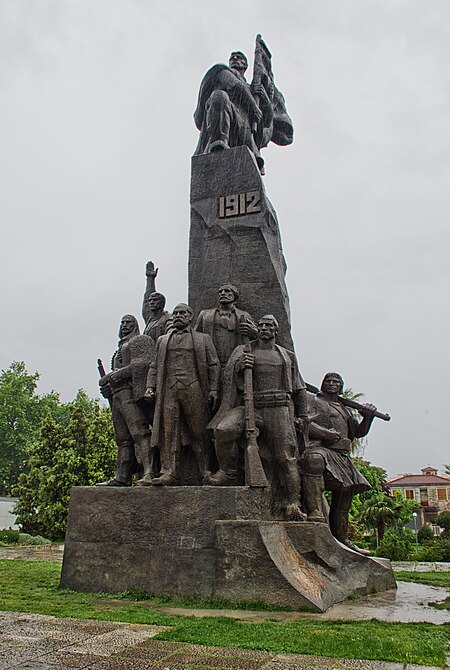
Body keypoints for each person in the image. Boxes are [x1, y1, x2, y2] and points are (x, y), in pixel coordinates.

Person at [207, 315, 307, 520]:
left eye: (269, 325)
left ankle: (292, 503)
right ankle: (228, 472)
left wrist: (303, 414)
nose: (264, 328)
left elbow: (299, 387)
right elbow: (229, 379)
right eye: (261, 325)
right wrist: (239, 367)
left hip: (278, 408)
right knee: (224, 430)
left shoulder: (286, 356)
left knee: (285, 457)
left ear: (275, 330)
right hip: (251, 405)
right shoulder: (245, 351)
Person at [145, 303, 220, 485]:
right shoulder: (163, 340)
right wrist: (150, 387)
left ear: (190, 317)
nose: (178, 315)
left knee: (198, 432)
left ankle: (204, 471)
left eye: (182, 313)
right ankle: (169, 472)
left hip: (193, 389)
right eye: (176, 313)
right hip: (169, 391)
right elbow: (154, 366)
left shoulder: (203, 339)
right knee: (169, 433)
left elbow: (214, 365)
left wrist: (214, 389)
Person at [301, 372, 376, 552]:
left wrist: (368, 417)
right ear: (323, 384)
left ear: (341, 386)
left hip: (342, 455)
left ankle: (342, 538)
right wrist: (325, 433)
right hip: (323, 448)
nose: (332, 384)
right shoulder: (314, 401)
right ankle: (315, 513)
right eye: (329, 381)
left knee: (345, 499)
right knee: (314, 460)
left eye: (336, 382)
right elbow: (305, 423)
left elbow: (357, 432)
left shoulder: (344, 408)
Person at [193, 49, 293, 174]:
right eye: (232, 57)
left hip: (244, 133)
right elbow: (234, 85)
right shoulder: (221, 71)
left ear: (246, 66)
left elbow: (267, 122)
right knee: (219, 96)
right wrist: (253, 106)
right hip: (225, 120)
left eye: (239, 57)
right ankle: (219, 144)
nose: (235, 59)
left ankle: (250, 156)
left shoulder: (254, 90)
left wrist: (265, 98)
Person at [97, 315, 156, 487]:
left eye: (128, 323)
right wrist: (108, 384)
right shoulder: (119, 348)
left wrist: (117, 374)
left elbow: (146, 363)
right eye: (122, 323)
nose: (124, 326)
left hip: (131, 394)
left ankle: (149, 472)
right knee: (122, 438)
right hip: (117, 395)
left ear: (135, 325)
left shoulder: (140, 340)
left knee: (140, 432)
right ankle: (122, 476)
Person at [194, 283, 257, 371]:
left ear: (234, 296)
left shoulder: (244, 315)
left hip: (235, 363)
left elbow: (257, 339)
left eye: (227, 291)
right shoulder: (205, 315)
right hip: (211, 363)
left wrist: (254, 333)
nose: (223, 293)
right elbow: (195, 337)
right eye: (220, 292)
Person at [142, 261, 171, 341]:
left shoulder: (168, 318)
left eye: (154, 300)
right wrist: (150, 279)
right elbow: (146, 301)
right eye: (150, 300)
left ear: (161, 303)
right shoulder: (151, 319)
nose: (151, 302)